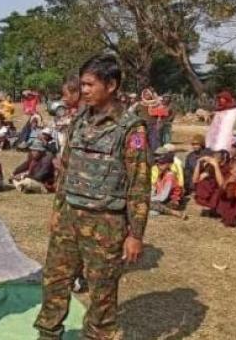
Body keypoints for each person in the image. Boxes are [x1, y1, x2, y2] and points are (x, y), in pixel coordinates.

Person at [35, 55, 150, 340]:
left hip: (105, 224)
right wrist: (57, 210)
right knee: (55, 281)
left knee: (102, 290)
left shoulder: (130, 128)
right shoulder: (79, 120)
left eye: (89, 84)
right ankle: (48, 334)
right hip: (69, 217)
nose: (83, 90)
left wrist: (135, 234)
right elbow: (66, 168)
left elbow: (139, 184)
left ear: (110, 85)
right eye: (82, 84)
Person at [150, 152, 187, 219]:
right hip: (162, 200)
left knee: (148, 203)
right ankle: (157, 210)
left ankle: (173, 212)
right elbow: (154, 188)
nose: (159, 165)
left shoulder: (170, 176)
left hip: (172, 202)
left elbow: (163, 197)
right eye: (158, 163)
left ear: (169, 164)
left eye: (162, 163)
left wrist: (150, 199)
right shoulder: (160, 174)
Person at [193, 152, 228, 216]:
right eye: (213, 159)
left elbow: (221, 184)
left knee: (218, 193)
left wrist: (216, 166)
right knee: (203, 183)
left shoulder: (225, 168)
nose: (212, 161)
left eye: (217, 159)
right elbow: (195, 180)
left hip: (218, 193)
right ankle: (208, 207)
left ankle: (212, 209)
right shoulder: (209, 167)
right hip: (208, 195)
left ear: (222, 161)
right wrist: (198, 163)